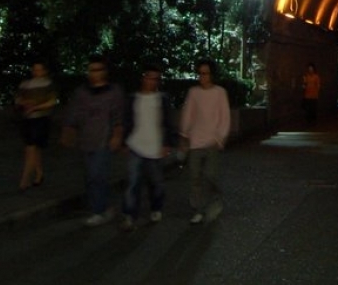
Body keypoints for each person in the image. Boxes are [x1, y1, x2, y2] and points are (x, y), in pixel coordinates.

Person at [61, 55, 125, 226]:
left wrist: (117, 135)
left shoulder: (113, 92)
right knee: (90, 177)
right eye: (92, 70)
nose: (95, 74)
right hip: (86, 139)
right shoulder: (82, 92)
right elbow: (74, 114)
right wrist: (69, 131)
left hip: (103, 140)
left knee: (98, 174)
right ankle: (101, 206)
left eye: (98, 70)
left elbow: (118, 116)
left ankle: (99, 210)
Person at [120, 60, 177, 230]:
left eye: (156, 79)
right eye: (149, 78)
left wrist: (167, 143)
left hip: (155, 147)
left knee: (156, 182)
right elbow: (127, 121)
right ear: (143, 78)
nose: (152, 82)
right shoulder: (133, 99)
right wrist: (124, 141)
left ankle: (156, 206)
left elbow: (168, 122)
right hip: (136, 145)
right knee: (132, 182)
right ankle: (130, 214)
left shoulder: (162, 99)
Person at [178, 59, 231, 224]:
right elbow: (188, 113)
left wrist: (219, 137)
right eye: (200, 74)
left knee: (210, 175)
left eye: (206, 73)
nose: (202, 77)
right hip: (195, 140)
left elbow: (225, 117)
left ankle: (216, 196)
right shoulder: (193, 92)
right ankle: (198, 209)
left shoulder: (220, 92)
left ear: (211, 75)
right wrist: (184, 135)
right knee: (195, 176)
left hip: (212, 141)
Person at [15, 58, 57, 190]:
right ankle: (39, 173)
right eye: (35, 69)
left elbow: (52, 101)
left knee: (32, 147)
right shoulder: (25, 84)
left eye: (40, 70)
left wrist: (36, 107)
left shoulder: (48, 84)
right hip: (28, 118)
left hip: (41, 118)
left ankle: (25, 179)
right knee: (34, 148)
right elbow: (18, 99)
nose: (37, 72)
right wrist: (25, 104)